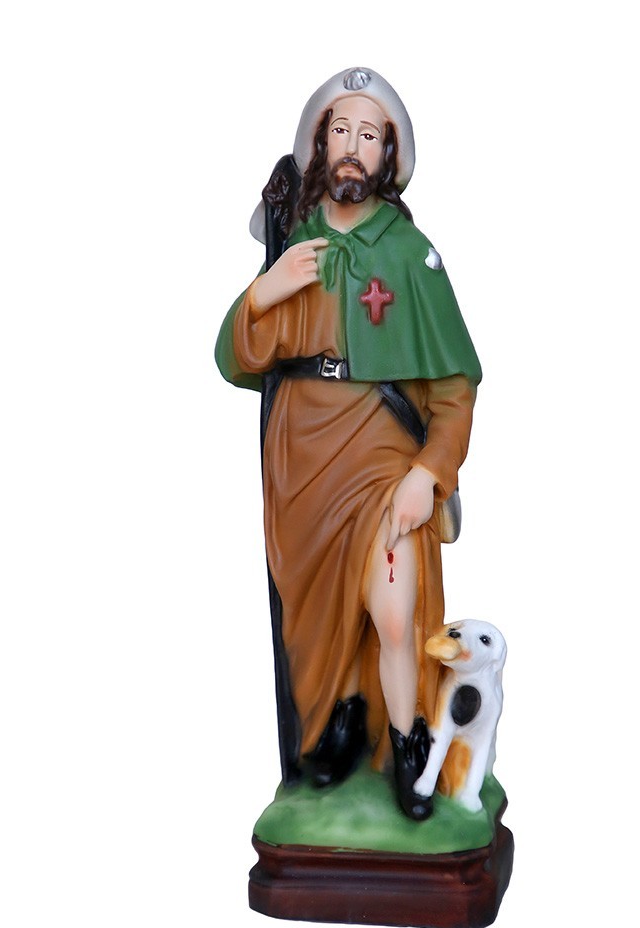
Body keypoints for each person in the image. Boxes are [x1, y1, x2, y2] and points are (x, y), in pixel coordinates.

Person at [216, 68, 481, 820]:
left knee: (394, 613)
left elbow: (455, 387)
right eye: (341, 131)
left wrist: (428, 472)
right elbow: (235, 360)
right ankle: (338, 725)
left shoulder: (410, 254)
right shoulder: (294, 243)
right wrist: (264, 292)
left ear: (388, 153)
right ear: (321, 143)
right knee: (313, 613)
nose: (353, 147)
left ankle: (407, 743)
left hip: (380, 457)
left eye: (369, 135)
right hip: (302, 460)